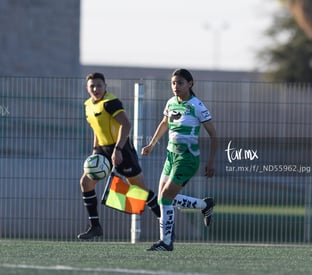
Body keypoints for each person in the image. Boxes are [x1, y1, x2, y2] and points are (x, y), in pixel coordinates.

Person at [78, 72, 161, 240]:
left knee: (141, 192)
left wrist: (118, 149)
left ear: (105, 86)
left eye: (99, 85)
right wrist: (95, 151)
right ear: (87, 89)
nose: (96, 89)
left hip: (122, 149)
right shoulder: (88, 105)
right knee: (86, 182)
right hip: (102, 151)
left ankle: (166, 221)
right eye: (92, 86)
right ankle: (95, 226)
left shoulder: (111, 102)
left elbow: (126, 124)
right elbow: (96, 129)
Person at [141, 68, 217, 251]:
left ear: (190, 84)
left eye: (180, 83)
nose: (176, 86)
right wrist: (151, 144)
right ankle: (204, 205)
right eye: (173, 83)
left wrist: (211, 161)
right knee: (163, 199)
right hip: (170, 156)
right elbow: (165, 122)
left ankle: (166, 243)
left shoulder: (197, 106)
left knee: (166, 198)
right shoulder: (171, 103)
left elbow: (214, 136)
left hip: (187, 158)